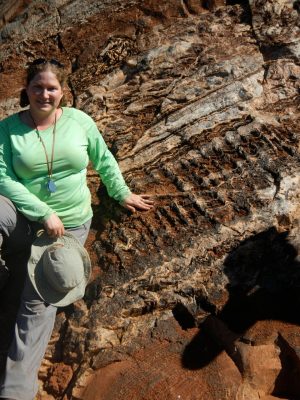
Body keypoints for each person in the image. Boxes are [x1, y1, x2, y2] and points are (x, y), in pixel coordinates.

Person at [0, 58, 153, 400]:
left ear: (63, 92)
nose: (44, 94)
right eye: (37, 87)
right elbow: (2, 179)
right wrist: (41, 211)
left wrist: (121, 191)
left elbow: (103, 158)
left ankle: (14, 393)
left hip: (65, 229)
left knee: (36, 307)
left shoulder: (79, 121)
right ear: (26, 89)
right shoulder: (8, 129)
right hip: (25, 220)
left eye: (51, 88)